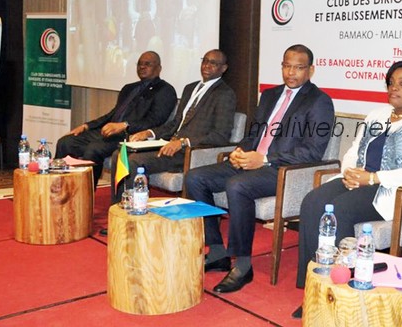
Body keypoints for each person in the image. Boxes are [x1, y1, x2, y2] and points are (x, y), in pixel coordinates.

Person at [292, 61, 402, 319]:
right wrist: (351, 173)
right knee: (312, 202)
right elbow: (353, 151)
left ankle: (343, 294)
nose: (394, 88)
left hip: (390, 188)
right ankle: (315, 288)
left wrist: (372, 178)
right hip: (359, 180)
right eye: (391, 83)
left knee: (340, 209)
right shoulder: (376, 114)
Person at [185, 44, 335, 294]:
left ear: (311, 70)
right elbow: (252, 136)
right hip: (252, 162)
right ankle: (218, 251)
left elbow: (311, 151)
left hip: (283, 170)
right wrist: (239, 151)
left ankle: (243, 265)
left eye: (299, 68)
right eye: (287, 66)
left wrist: (264, 160)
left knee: (237, 185)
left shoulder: (319, 101)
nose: (291, 72)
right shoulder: (269, 95)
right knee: (195, 178)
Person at [109, 49, 236, 202]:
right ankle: (119, 207)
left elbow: (220, 135)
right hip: (168, 144)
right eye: (205, 61)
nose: (207, 66)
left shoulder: (224, 94)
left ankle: (135, 208)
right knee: (119, 154)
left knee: (133, 161)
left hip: (188, 152)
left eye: (213, 63)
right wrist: (149, 133)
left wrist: (183, 142)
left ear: (223, 68)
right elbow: (176, 123)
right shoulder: (190, 88)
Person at [55, 51, 177, 188]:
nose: (142, 67)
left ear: (159, 68)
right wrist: (86, 126)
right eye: (139, 64)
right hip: (110, 132)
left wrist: (125, 125)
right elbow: (112, 114)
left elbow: (155, 120)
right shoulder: (129, 88)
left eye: (147, 64)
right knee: (66, 142)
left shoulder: (165, 90)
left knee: (93, 149)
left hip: (131, 136)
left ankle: (85, 193)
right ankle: (59, 187)